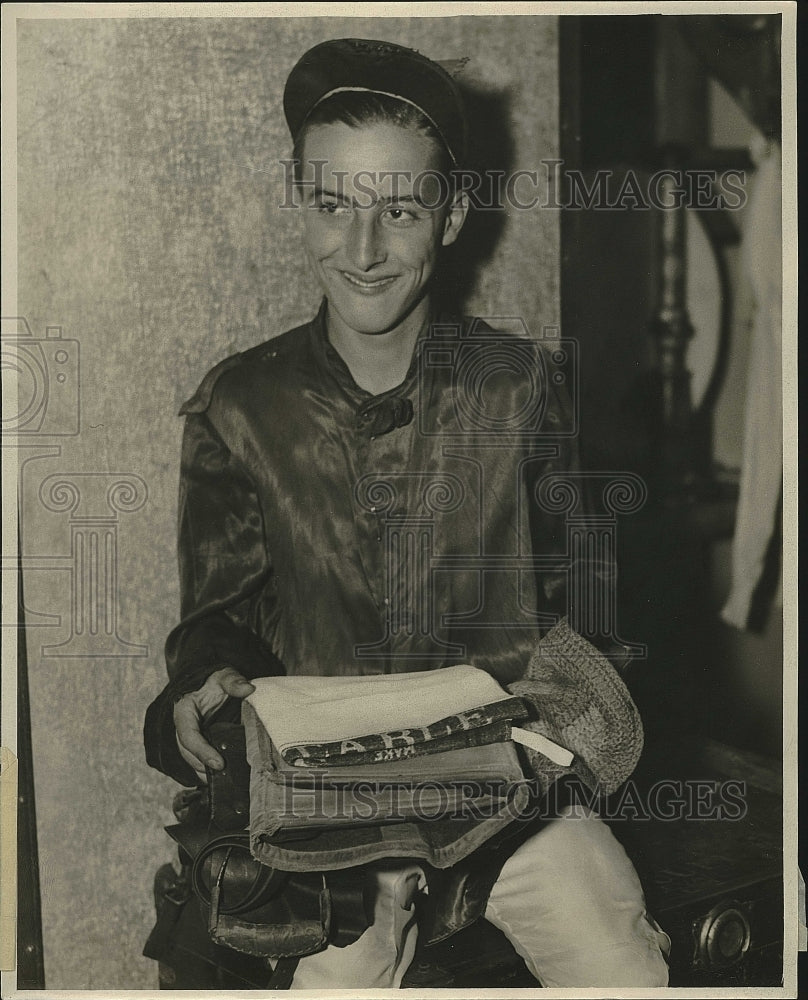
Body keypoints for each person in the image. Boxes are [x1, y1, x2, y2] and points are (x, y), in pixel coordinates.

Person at [144, 37, 670, 988]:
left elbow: (583, 614)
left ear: (455, 213)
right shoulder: (239, 406)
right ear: (298, 201)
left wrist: (555, 734)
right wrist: (208, 679)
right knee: (338, 977)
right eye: (333, 206)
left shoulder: (520, 392)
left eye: (400, 210)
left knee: (620, 960)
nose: (363, 248)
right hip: (329, 804)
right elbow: (219, 613)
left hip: (507, 792)